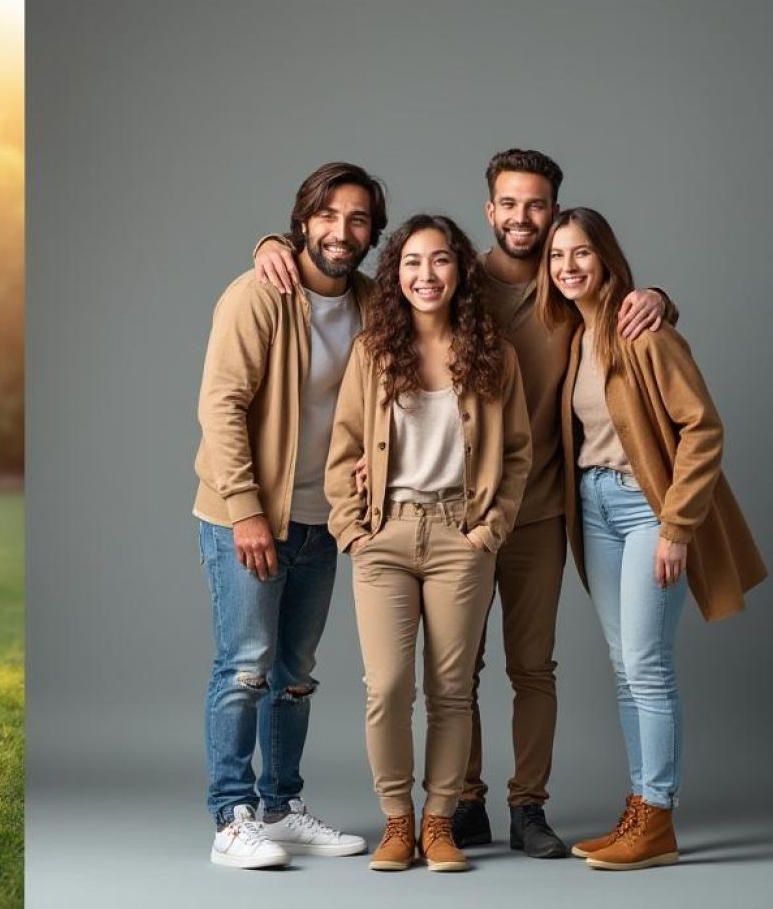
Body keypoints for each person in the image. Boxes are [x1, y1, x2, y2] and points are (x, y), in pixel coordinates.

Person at [255, 149, 672, 856]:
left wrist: (657, 297)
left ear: (553, 211)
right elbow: (353, 284)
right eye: (509, 203)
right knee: (446, 676)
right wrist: (273, 244)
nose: (522, 217)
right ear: (490, 211)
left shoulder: (566, 283)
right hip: (429, 521)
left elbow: (619, 300)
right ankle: (458, 806)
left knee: (529, 668)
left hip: (530, 510)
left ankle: (526, 807)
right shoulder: (454, 278)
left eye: (536, 205)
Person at [538, 207, 764, 870]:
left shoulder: (642, 331)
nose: (568, 267)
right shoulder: (575, 337)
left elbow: (704, 428)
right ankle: (639, 808)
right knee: (624, 663)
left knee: (647, 664)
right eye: (557, 256)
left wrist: (677, 525)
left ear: (605, 258)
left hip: (647, 509)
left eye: (581, 253)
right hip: (594, 506)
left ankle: (658, 817)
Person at [326, 214, 530, 872]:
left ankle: (439, 823)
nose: (426, 274)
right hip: (385, 535)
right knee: (387, 687)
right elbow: (344, 449)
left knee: (451, 689)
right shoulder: (373, 352)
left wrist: (489, 532)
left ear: (460, 270)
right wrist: (352, 530)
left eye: (440, 260)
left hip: (458, 537)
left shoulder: (494, 353)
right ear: (396, 275)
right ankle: (397, 821)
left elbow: (518, 453)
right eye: (412, 262)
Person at [193, 162, 378, 869]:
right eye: (327, 215)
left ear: (372, 232)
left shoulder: (373, 303)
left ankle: (281, 807)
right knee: (245, 666)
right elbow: (221, 406)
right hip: (247, 514)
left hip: (321, 519)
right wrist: (245, 511)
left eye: (357, 218)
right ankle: (231, 818)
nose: (341, 231)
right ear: (303, 220)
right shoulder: (258, 294)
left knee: (295, 674)